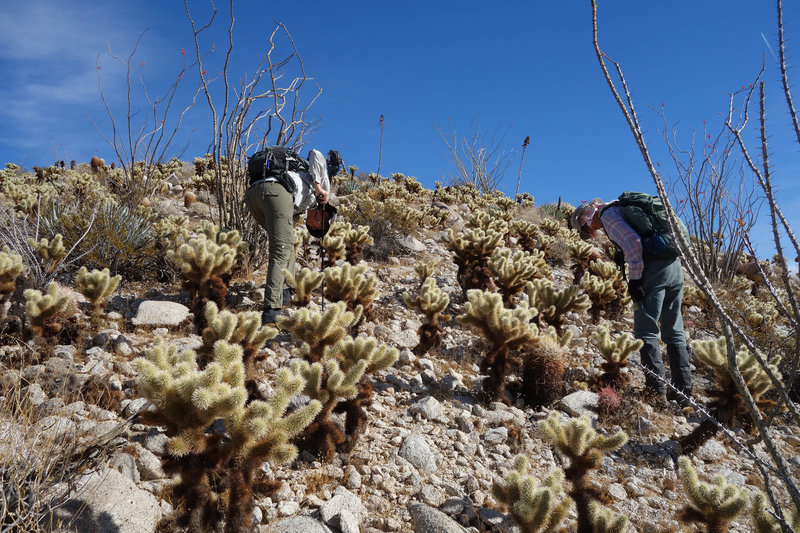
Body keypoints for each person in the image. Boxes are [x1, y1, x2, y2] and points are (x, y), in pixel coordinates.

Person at [570, 198, 692, 405]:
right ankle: (684, 393)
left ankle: (656, 391)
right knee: (674, 328)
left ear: (586, 215)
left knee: (646, 328)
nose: (591, 230)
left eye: (586, 226)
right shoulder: (624, 208)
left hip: (653, 269)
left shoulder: (607, 215)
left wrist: (635, 279)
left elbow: (634, 243)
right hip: (674, 267)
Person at [245, 148, 337, 325]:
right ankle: (271, 311)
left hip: (254, 195)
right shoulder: (324, 193)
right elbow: (316, 154)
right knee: (281, 250)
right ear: (323, 216)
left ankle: (285, 293)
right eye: (319, 225)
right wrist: (320, 188)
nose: (315, 225)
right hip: (275, 191)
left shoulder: (301, 207)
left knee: (286, 244)